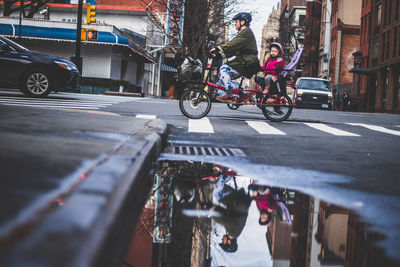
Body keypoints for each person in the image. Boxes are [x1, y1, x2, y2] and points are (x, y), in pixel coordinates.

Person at [210, 12, 259, 102]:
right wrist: (219, 55)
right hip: (245, 62)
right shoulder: (244, 33)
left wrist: (218, 48)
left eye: (236, 22)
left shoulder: (246, 32)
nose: (235, 24)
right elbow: (234, 50)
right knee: (224, 76)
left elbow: (233, 44)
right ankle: (240, 94)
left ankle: (230, 94)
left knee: (224, 69)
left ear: (242, 22)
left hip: (248, 62)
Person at [212, 185, 252, 252]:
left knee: (218, 191)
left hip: (239, 201)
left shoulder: (234, 232)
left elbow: (225, 215)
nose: (222, 239)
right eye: (223, 242)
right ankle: (222, 178)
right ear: (229, 242)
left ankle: (222, 178)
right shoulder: (233, 232)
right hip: (237, 201)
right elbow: (222, 219)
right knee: (217, 193)